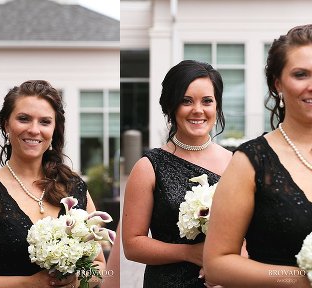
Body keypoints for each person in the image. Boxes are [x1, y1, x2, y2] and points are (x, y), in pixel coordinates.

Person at [0, 80, 106, 288]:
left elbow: (100, 266)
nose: (34, 129)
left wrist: (74, 280)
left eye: (45, 122)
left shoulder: (73, 186)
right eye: (24, 119)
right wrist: (29, 284)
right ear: (6, 124)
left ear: (54, 129)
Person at [203, 24, 312, 287]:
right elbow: (216, 265)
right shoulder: (251, 161)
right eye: (301, 74)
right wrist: (302, 279)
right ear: (278, 83)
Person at [122, 60, 232, 288]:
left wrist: (230, 268)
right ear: (170, 106)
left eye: (207, 101)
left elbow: (249, 235)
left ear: (217, 106)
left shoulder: (235, 163)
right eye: (186, 101)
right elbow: (132, 245)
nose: (198, 110)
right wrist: (189, 253)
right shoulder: (148, 167)